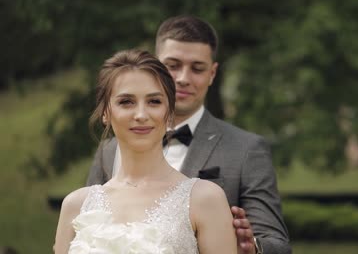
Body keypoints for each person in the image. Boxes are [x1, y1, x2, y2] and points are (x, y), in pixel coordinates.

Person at [87, 15, 291, 254]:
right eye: (173, 66)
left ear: (212, 74)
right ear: (156, 67)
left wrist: (252, 248)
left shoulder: (246, 149)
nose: (183, 78)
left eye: (197, 68)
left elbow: (278, 244)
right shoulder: (110, 149)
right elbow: (87, 227)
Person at [54, 49, 237, 253]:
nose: (141, 114)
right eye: (126, 102)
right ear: (106, 112)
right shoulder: (76, 206)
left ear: (169, 113)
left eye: (154, 101)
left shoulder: (205, 199)